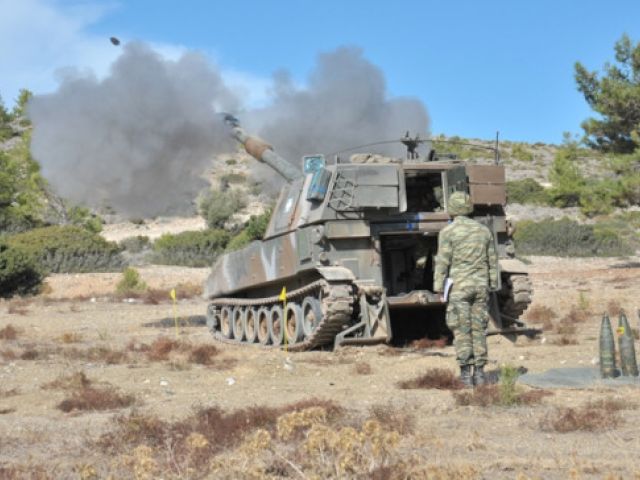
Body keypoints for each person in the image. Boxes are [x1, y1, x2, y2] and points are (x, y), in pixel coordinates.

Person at [433, 191, 498, 387]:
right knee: (479, 329)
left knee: (462, 330)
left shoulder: (448, 232)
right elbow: (492, 260)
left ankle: (465, 375)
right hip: (480, 287)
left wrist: (438, 287)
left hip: (459, 288)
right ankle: (480, 374)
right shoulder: (484, 231)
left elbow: (442, 262)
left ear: (452, 209)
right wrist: (493, 283)